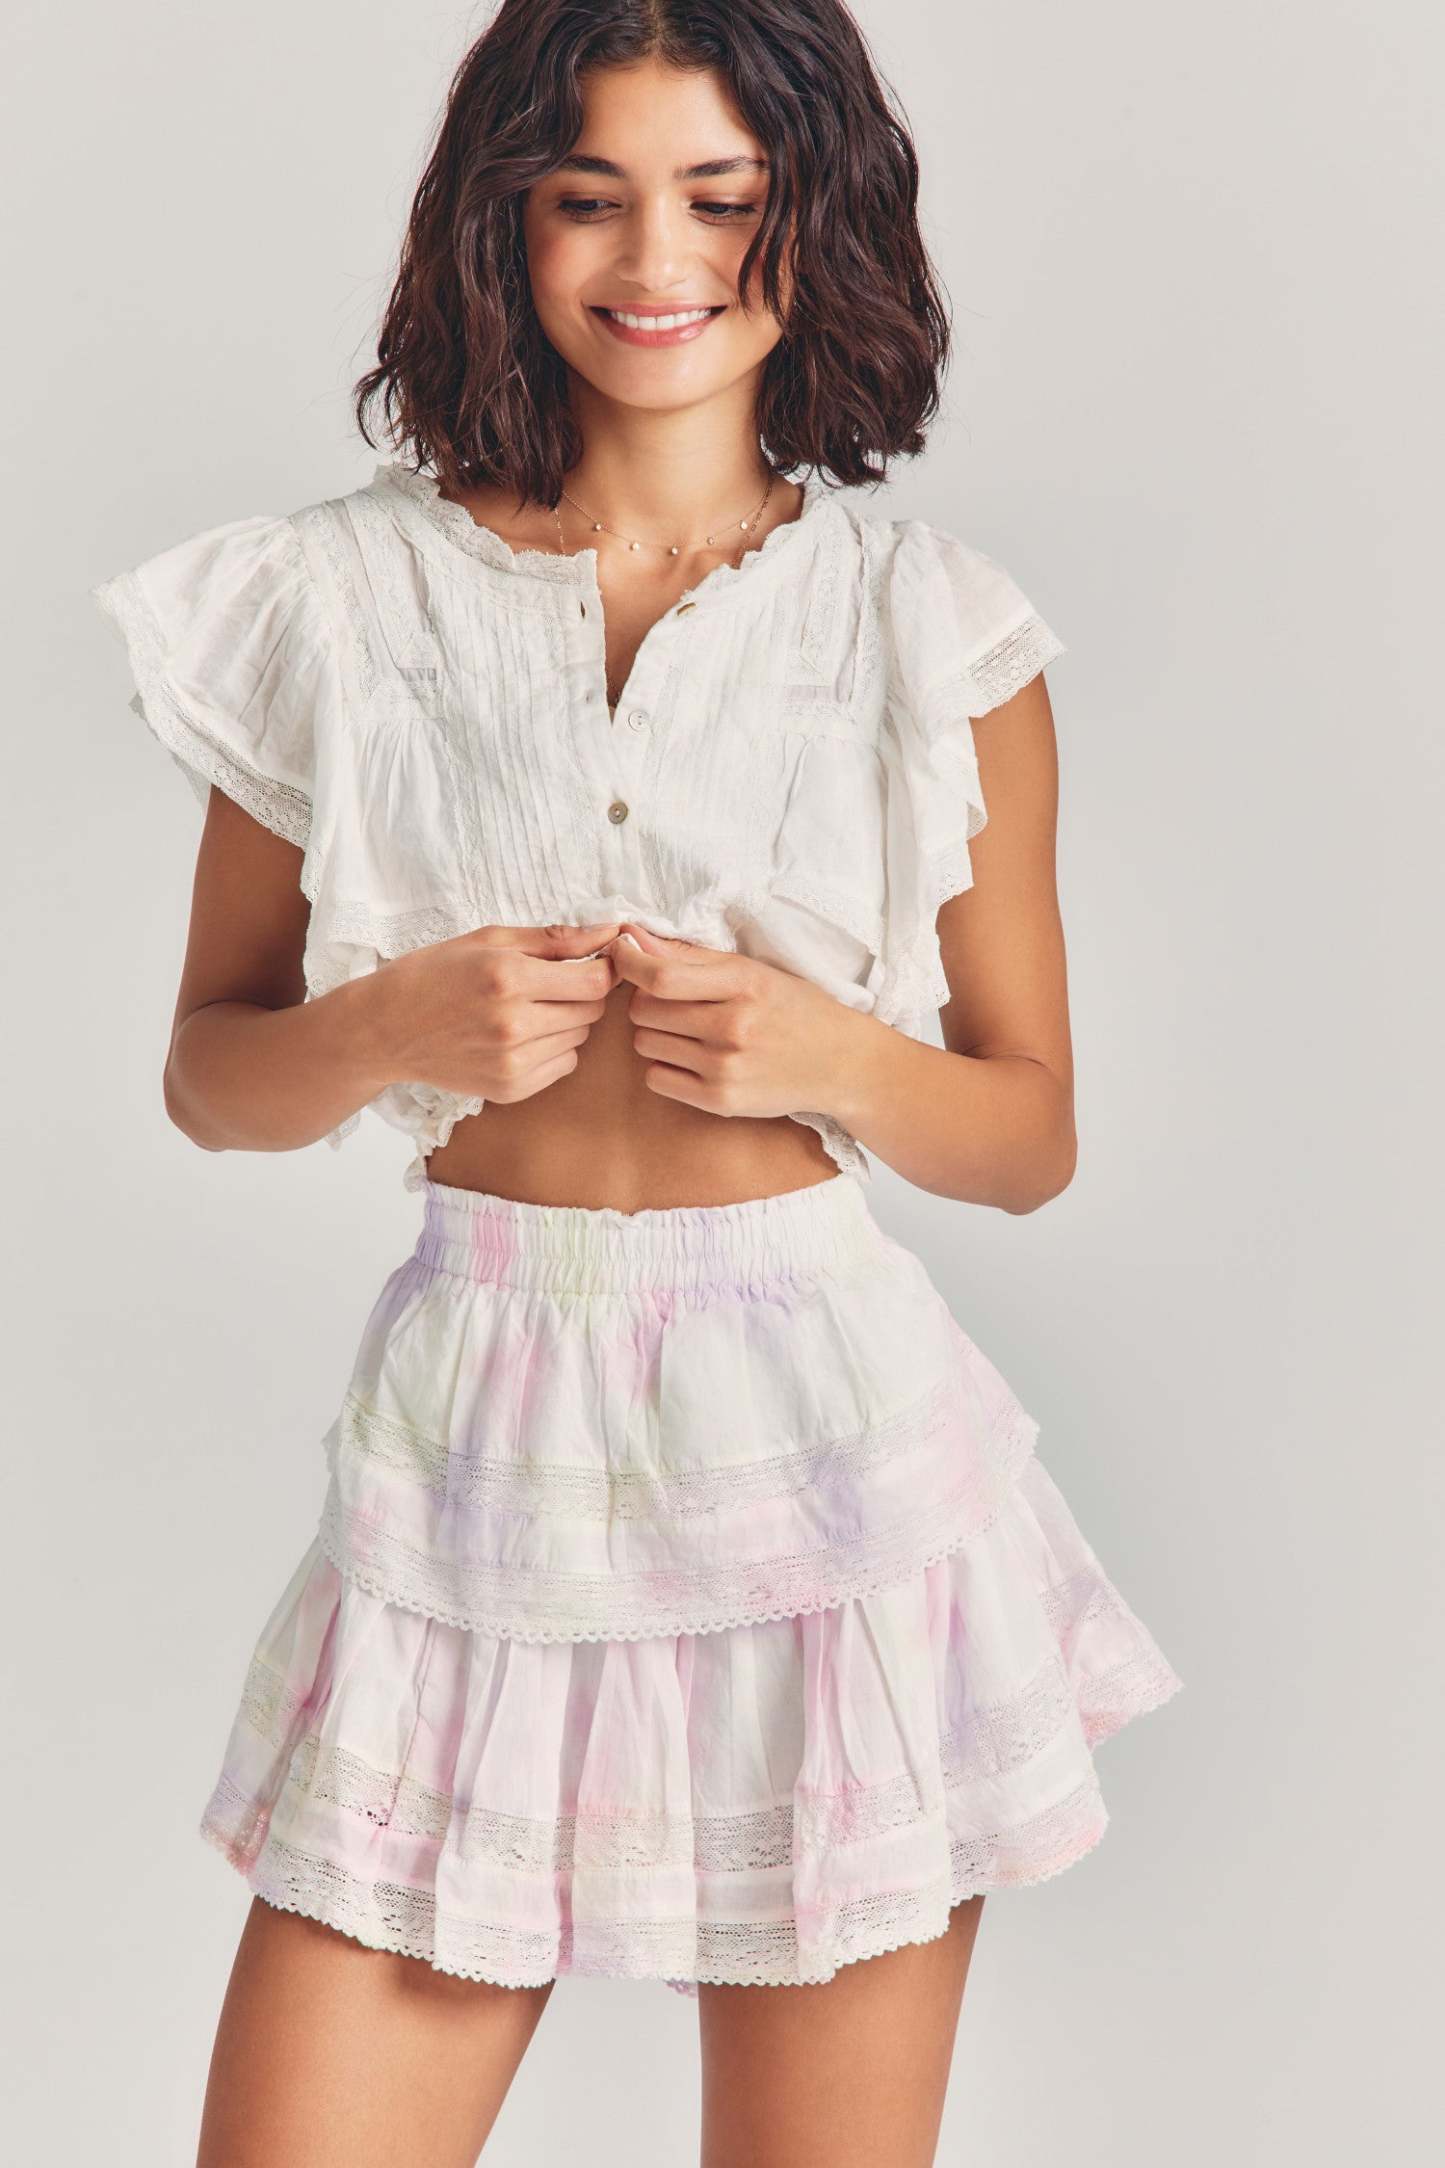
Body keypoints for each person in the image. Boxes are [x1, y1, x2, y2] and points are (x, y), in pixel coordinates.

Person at [90, 3, 1183, 2162]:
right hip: (470, 1453)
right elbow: (213, 1074)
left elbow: (1029, 1134)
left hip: (830, 1465)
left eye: (719, 196)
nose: (654, 256)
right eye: (586, 195)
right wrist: (388, 1030)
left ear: (814, 220)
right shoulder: (336, 601)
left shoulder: (928, 630)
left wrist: (833, 1056)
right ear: (501, 226)